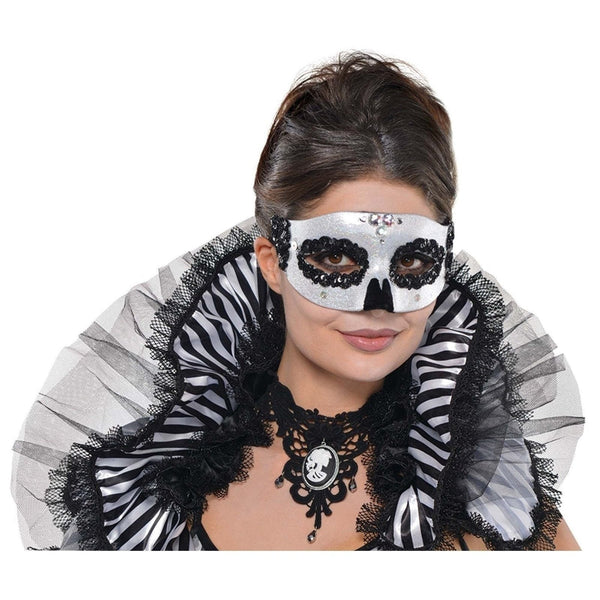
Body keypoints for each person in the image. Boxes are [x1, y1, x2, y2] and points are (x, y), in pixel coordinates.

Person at [11, 51, 584, 550]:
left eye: (412, 261)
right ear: (272, 262)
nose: (378, 303)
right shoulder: (152, 487)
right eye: (336, 258)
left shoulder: (482, 496)